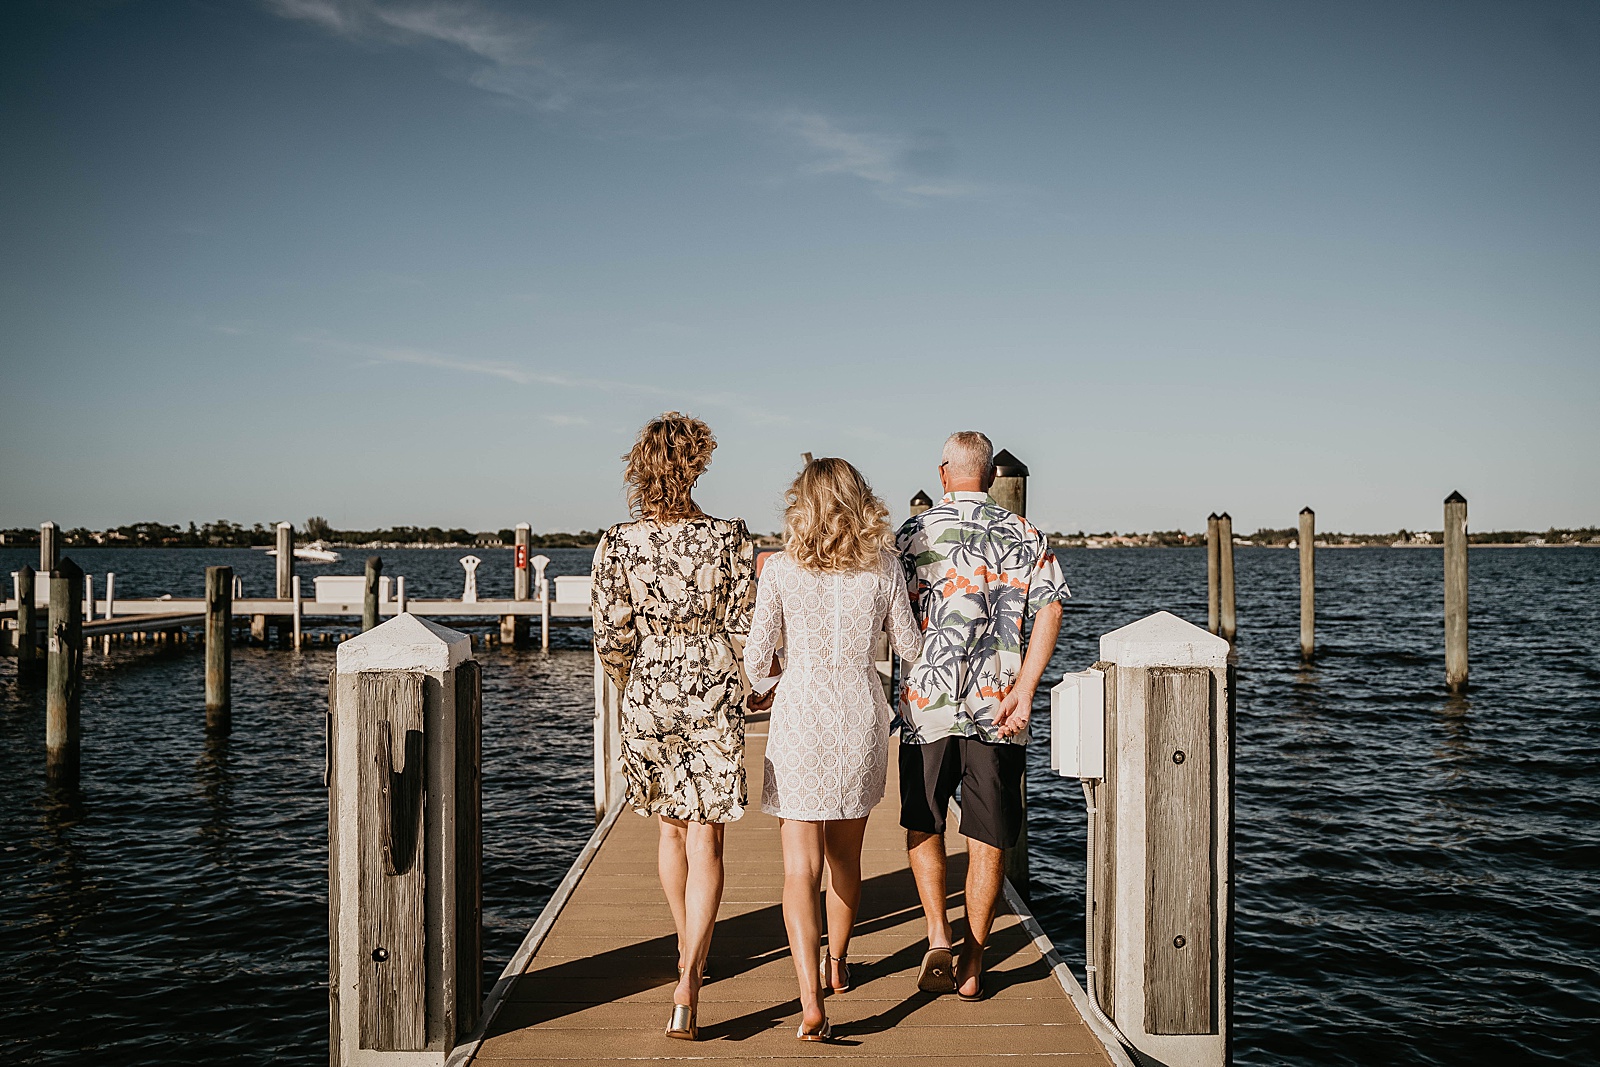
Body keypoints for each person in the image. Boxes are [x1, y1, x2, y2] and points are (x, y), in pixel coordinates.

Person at [591, 412, 757, 1041]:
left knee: (669, 828)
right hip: (710, 679)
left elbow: (610, 634)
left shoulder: (617, 543)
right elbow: (745, 624)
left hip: (650, 684)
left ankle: (686, 949)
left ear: (641, 468)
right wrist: (737, 679)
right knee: (706, 837)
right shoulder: (728, 537)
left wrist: (633, 682)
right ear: (698, 465)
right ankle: (690, 974)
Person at [743, 458, 922, 1041]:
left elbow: (755, 660)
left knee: (800, 869)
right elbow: (910, 648)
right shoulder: (885, 566)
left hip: (800, 716)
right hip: (860, 716)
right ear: (859, 501)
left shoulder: (778, 569)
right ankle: (838, 964)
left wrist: (777, 682)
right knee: (846, 857)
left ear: (802, 503)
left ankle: (810, 1001)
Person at [895, 431, 1069, 1001]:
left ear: (943, 472)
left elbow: (891, 614)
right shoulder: (1025, 533)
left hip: (926, 705)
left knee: (924, 822)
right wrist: (1027, 687)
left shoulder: (914, 533)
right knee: (988, 834)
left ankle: (937, 935)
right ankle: (972, 961)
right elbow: (1051, 609)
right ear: (992, 475)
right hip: (999, 706)